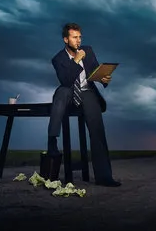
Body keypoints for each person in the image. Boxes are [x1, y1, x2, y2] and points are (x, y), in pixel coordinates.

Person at [47, 22, 121, 187]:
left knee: (97, 132)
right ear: (66, 39)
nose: (78, 41)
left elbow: (94, 71)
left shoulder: (88, 51)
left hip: (87, 91)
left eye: (80, 37)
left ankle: (104, 177)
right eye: (74, 37)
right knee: (60, 93)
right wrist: (75, 62)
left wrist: (103, 79)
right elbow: (65, 81)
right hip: (68, 91)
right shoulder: (58, 59)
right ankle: (52, 140)